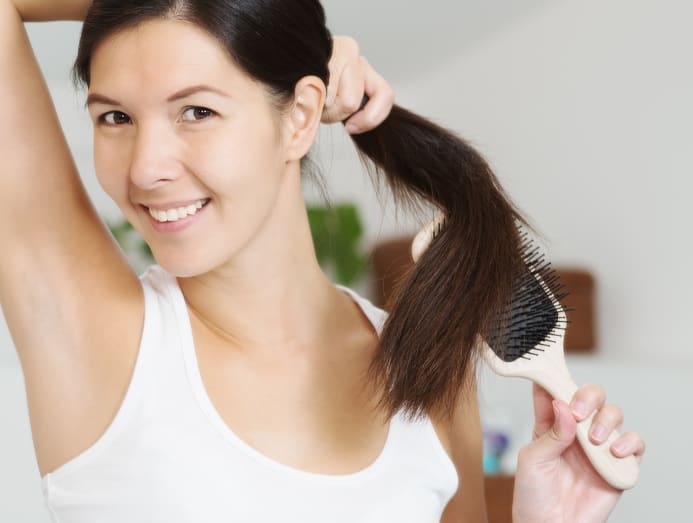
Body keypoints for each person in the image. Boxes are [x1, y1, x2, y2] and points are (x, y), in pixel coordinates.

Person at [0, 1, 644, 522]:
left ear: (301, 116)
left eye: (197, 111)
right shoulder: (98, 338)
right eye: (115, 117)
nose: (145, 168)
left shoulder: (430, 372)